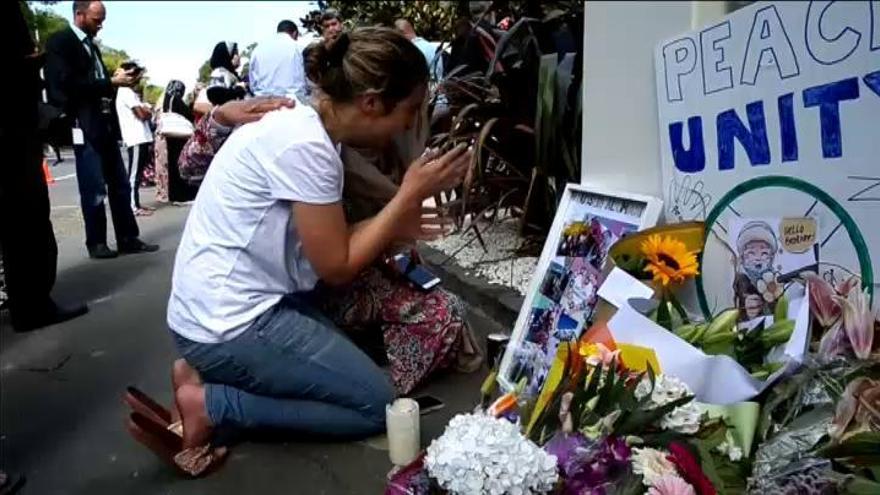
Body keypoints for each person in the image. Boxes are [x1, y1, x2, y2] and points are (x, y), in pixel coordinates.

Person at [130, 28, 473, 475]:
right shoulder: (307, 146)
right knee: (375, 405)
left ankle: (203, 373)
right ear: (370, 102)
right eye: (408, 111)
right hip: (230, 322)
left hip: (217, 310)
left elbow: (333, 242)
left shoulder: (306, 129)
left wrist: (395, 221)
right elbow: (336, 266)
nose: (409, 125)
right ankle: (213, 405)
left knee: (349, 371)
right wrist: (406, 198)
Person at [1, 0, 89, 334]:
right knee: (25, 216)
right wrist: (28, 64)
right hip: (11, 125)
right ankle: (32, 304)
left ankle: (25, 298)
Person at [44, 0, 158, 259]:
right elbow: (66, 85)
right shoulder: (61, 42)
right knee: (94, 187)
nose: (101, 25)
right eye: (96, 19)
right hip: (83, 123)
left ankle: (128, 237)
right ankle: (96, 242)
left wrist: (117, 80)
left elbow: (96, 82)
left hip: (105, 123)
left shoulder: (91, 47)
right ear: (79, 15)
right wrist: (109, 82)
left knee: (119, 184)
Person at [115, 62, 155, 216]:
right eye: (135, 74)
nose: (138, 78)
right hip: (136, 138)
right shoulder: (125, 91)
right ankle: (132, 206)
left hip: (142, 138)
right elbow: (142, 114)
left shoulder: (131, 93)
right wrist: (147, 111)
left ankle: (136, 203)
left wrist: (146, 110)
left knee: (137, 175)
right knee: (133, 175)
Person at [158, 81, 199, 204]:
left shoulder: (166, 100)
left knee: (172, 166)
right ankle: (183, 195)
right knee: (180, 165)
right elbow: (188, 115)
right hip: (180, 138)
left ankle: (174, 194)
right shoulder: (176, 100)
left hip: (170, 137)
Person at [249, 20, 307, 102]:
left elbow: (253, 84)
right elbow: (308, 79)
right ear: (295, 33)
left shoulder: (257, 50)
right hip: (295, 103)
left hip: (264, 104)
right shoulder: (298, 48)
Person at [199, 42, 246, 107]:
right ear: (228, 56)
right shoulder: (220, 72)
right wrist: (237, 91)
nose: (239, 56)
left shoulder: (230, 73)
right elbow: (216, 94)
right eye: (236, 53)